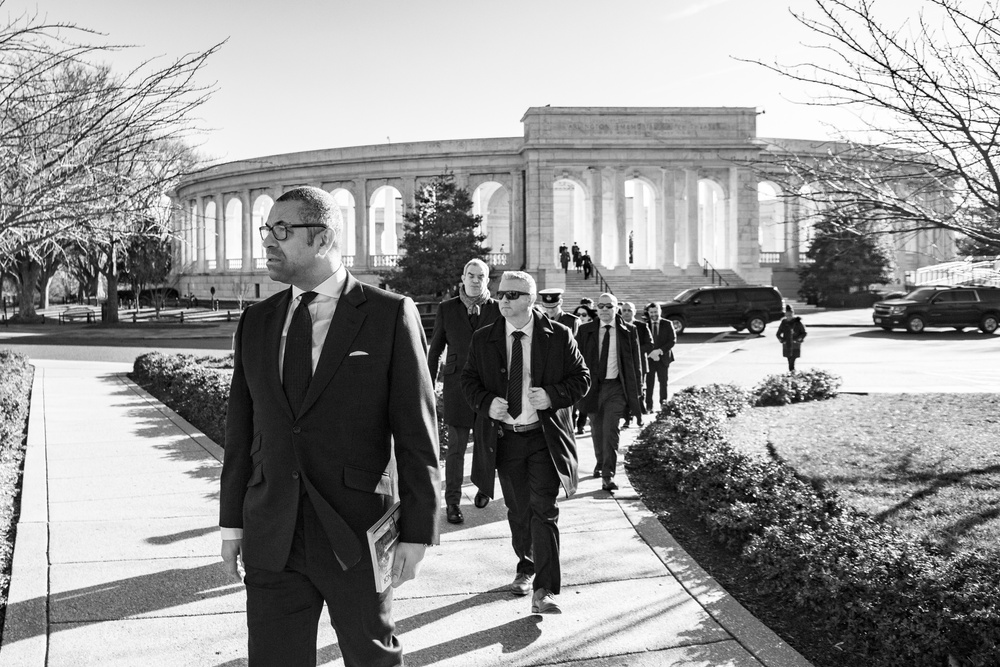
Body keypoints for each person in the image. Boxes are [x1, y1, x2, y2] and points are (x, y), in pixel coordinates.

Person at [220, 186, 440, 667]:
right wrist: (232, 522)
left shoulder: (388, 314)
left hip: (356, 533)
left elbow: (417, 435)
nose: (268, 242)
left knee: (372, 660)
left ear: (321, 238)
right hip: (272, 531)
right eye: (267, 230)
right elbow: (240, 432)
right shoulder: (255, 322)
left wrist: (419, 532)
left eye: (282, 230)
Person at [461, 270, 590, 615]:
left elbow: (582, 379)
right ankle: (525, 564)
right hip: (505, 440)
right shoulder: (484, 338)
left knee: (543, 511)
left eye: (512, 295)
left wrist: (552, 395)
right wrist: (487, 403)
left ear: (531, 299)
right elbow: (468, 381)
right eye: (501, 294)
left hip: (543, 439)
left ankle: (544, 589)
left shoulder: (559, 336)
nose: (503, 300)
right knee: (518, 511)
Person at [427, 258, 501, 524]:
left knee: (485, 444)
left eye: (480, 276)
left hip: (487, 387)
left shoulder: (496, 309)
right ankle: (453, 502)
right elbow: (435, 349)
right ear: (463, 277)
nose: (475, 280)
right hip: (456, 386)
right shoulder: (447, 309)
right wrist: (429, 383)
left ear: (487, 280)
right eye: (471, 275)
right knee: (456, 449)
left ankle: (483, 488)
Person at [575, 293, 643, 490]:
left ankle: (608, 475)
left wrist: (637, 389)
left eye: (609, 306)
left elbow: (635, 362)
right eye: (601, 306)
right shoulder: (586, 330)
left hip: (616, 388)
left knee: (611, 430)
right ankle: (600, 462)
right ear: (596, 308)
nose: (604, 309)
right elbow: (576, 359)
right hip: (592, 388)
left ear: (616, 309)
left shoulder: (628, 331)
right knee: (596, 429)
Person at [620, 301, 650, 428]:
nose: (626, 313)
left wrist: (634, 350)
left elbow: (650, 344)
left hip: (638, 364)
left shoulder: (642, 327)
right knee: (624, 392)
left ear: (635, 312)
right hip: (623, 365)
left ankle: (639, 417)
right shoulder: (618, 326)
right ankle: (627, 419)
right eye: (624, 310)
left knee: (638, 391)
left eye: (629, 310)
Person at [643, 302, 677, 412]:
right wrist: (651, 353)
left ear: (660, 311)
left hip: (663, 358)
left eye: (656, 312)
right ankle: (649, 406)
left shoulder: (667, 324)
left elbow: (672, 340)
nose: (654, 314)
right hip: (649, 359)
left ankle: (663, 404)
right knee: (649, 383)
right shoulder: (645, 325)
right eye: (651, 312)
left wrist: (659, 351)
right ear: (648, 313)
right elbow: (642, 341)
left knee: (663, 383)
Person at [571, 304, 597, 434]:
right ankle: (572, 423)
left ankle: (581, 425)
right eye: (578, 314)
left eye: (584, 315)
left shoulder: (592, 331)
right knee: (574, 401)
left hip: (589, 370)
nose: (580, 317)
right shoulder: (570, 329)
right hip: (573, 370)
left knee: (584, 399)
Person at [776, 304, 807, 372]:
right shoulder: (784, 322)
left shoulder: (798, 322)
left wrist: (799, 338)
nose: (788, 317)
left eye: (790, 315)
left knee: (793, 358)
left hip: (795, 343)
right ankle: (792, 371)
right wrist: (781, 340)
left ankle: (792, 371)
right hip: (787, 343)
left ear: (793, 314)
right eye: (787, 315)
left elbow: (804, 333)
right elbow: (778, 334)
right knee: (789, 358)